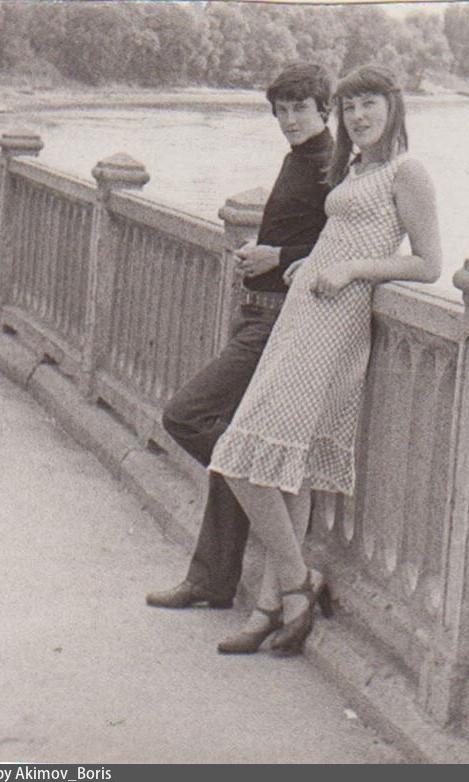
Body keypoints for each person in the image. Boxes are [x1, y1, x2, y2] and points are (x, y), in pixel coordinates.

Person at [208, 64, 443, 656]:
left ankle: (295, 587)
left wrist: (350, 269)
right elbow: (339, 235)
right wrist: (309, 262)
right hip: (305, 308)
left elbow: (428, 263)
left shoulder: (407, 171)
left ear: (394, 106)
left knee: (240, 457)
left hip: (337, 321)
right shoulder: (355, 166)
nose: (357, 117)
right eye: (349, 107)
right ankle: (269, 608)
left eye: (369, 104)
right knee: (286, 465)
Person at [145, 63, 335, 634]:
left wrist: (278, 256)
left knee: (188, 416)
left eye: (300, 108)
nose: (289, 120)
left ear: (324, 109)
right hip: (258, 312)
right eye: (282, 110)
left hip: (276, 322)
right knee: (230, 438)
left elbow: (346, 242)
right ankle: (212, 578)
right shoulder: (300, 158)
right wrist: (267, 250)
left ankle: (284, 561)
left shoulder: (329, 162)